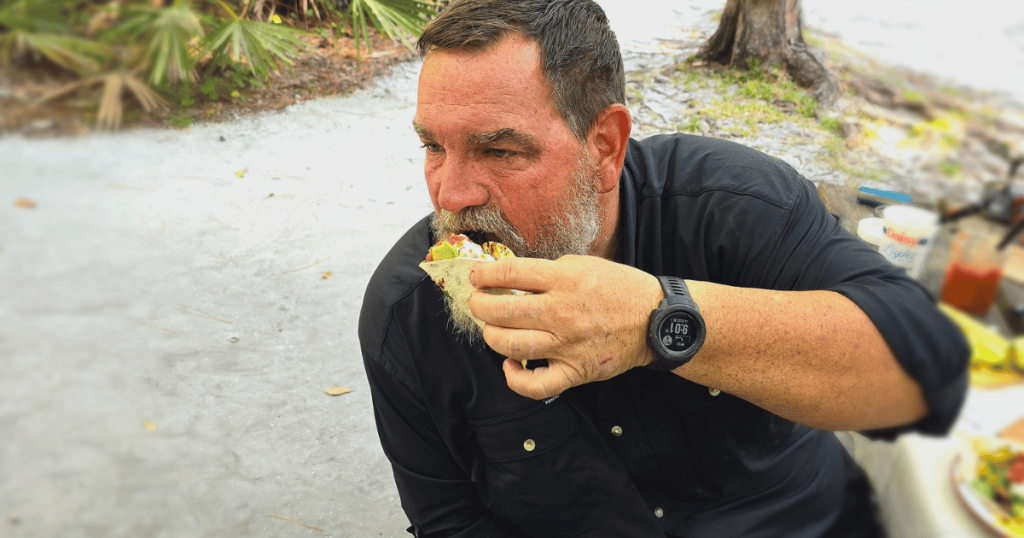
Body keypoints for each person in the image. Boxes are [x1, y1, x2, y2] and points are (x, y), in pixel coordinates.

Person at [358, 1, 970, 536]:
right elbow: (452, 522)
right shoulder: (404, 316)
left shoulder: (731, 205)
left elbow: (921, 368)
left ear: (605, 146)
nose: (451, 195)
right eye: (433, 147)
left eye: (499, 150)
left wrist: (662, 321)